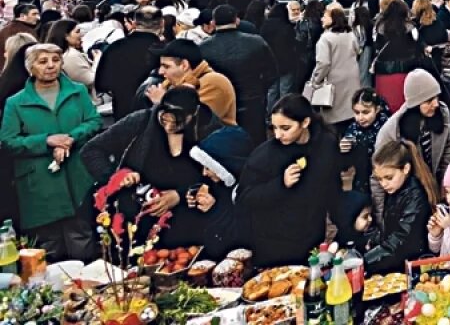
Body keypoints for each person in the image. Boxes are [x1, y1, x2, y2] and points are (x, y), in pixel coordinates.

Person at [81, 86, 223, 248]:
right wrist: (117, 177)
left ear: (193, 114)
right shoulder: (141, 121)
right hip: (137, 222)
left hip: (188, 226)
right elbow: (91, 150)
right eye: (164, 119)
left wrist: (179, 195)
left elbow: (220, 178)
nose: (169, 127)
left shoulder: (210, 131)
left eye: (177, 122)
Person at [0, 43, 101, 259]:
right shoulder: (16, 103)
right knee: (49, 245)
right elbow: (8, 141)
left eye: (55, 60)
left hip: (76, 174)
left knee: (82, 235)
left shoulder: (77, 91)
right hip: (39, 182)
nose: (50, 66)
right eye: (43, 61)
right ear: (30, 67)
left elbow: (94, 121)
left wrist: (70, 138)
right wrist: (46, 141)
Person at [237, 94, 340, 267]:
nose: (278, 135)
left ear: (305, 122)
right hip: (275, 242)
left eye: (285, 128)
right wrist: (280, 184)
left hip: (312, 234)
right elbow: (244, 197)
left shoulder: (326, 144)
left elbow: (333, 187)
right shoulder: (264, 155)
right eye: (274, 128)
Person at [199, 5, 276, 143]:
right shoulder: (256, 42)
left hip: (219, 103)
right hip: (252, 99)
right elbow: (272, 72)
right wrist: (260, 89)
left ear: (213, 23)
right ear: (237, 20)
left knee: (224, 143)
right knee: (256, 140)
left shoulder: (203, 47)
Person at [376, 69, 450, 188]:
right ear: (415, 104)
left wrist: (447, 183)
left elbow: (448, 149)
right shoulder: (393, 129)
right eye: (429, 101)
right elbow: (378, 169)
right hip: (407, 189)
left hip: (434, 183)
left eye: (436, 97)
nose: (436, 104)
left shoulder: (443, 112)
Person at [366, 139, 438, 273]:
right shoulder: (396, 189)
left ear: (406, 168)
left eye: (389, 177)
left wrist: (366, 261)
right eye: (379, 179)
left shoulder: (415, 196)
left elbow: (402, 238)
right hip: (400, 261)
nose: (383, 184)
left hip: (412, 266)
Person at [185, 125, 255, 257]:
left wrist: (214, 209)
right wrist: (197, 205)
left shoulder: (249, 193)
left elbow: (236, 240)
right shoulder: (220, 186)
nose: (204, 173)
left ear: (224, 167)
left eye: (208, 167)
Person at [146, 39, 238, 127]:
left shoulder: (214, 82)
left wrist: (163, 102)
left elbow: (196, 123)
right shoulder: (171, 84)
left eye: (166, 66)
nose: (160, 72)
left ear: (184, 65)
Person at [94, 6, 163, 120]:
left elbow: (102, 84)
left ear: (134, 23)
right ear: (162, 23)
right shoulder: (165, 50)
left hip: (123, 112)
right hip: (155, 113)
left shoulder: (115, 47)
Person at [312, 6, 361, 130]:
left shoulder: (325, 38)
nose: (322, 19)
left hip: (334, 80)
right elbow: (357, 51)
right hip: (352, 77)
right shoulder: (350, 35)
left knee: (334, 117)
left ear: (332, 19)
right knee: (349, 110)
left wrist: (316, 80)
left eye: (325, 16)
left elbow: (323, 63)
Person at [338, 88, 390, 195]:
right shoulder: (353, 129)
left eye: (366, 112)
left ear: (377, 109)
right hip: (361, 183)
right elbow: (345, 166)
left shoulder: (387, 128)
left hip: (384, 182)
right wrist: (343, 151)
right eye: (357, 112)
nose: (360, 118)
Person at [46, 19, 95, 101]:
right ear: (66, 36)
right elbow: (90, 81)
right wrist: (97, 60)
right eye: (77, 32)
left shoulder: (66, 54)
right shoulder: (70, 56)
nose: (81, 35)